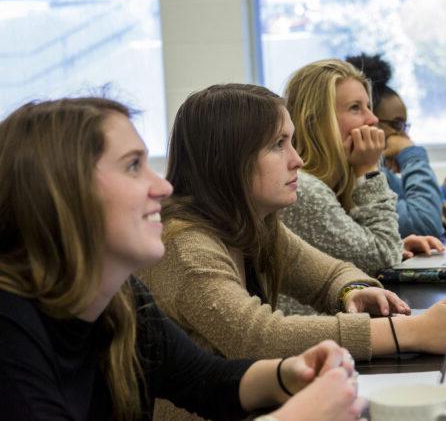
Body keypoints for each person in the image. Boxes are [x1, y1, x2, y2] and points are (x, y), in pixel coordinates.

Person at [0, 97, 366, 421]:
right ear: (63, 193)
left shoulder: (120, 298)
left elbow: (204, 379)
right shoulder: (10, 332)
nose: (163, 188)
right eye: (132, 166)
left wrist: (288, 372)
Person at [139, 84, 446, 419]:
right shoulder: (185, 247)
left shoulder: (254, 222)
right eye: (278, 145)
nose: (298, 160)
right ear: (226, 160)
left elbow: (331, 273)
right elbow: (259, 337)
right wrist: (410, 331)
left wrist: (353, 291)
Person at [281, 59, 443, 274]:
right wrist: (368, 168)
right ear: (315, 123)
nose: (373, 119)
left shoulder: (338, 180)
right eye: (355, 108)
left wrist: (397, 246)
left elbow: (351, 255)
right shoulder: (303, 188)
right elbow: (383, 253)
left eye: (368, 107)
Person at [345, 53, 446, 232]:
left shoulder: (380, 172)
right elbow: (424, 223)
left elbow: (409, 202)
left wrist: (443, 199)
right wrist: (410, 153)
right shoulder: (354, 176)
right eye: (397, 124)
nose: (404, 136)